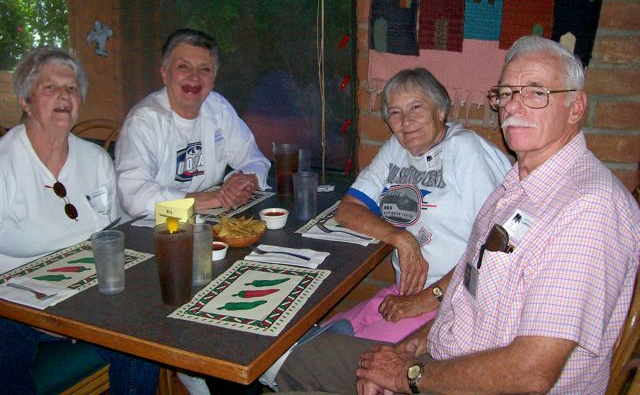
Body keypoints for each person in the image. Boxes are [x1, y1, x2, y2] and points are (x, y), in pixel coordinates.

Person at [274, 36, 640, 394]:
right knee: (306, 359)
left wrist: (409, 377)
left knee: (304, 367)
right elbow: (466, 286)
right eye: (506, 94)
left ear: (576, 107)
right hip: (447, 352)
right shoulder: (518, 184)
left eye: (535, 93)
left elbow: (531, 373)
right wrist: (411, 348)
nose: (513, 107)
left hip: (484, 379)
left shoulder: (588, 209)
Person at [0, 47, 159, 394]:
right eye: (50, 88)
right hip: (13, 306)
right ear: (26, 100)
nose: (63, 96)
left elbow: (113, 235)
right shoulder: (4, 164)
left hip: (86, 296)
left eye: (71, 89)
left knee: (142, 338)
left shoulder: (95, 159)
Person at [322, 68, 511, 343]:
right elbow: (348, 210)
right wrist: (402, 238)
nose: (406, 121)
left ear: (441, 110)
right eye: (395, 112)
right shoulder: (397, 149)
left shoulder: (466, 150)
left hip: (453, 301)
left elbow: (491, 249)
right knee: (322, 338)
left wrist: (428, 298)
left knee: (349, 357)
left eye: (416, 107)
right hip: (404, 292)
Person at [115, 28, 270, 218]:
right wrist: (213, 199)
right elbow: (135, 197)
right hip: (149, 228)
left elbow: (255, 160)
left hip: (205, 221)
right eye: (183, 67)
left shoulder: (218, 108)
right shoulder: (144, 121)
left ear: (213, 79)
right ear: (164, 74)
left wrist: (245, 180)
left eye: (204, 69)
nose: (194, 77)